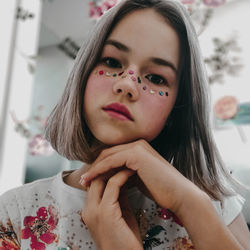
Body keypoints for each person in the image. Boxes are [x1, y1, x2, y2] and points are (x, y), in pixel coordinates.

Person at [0, 0, 249, 249]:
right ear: (84, 73)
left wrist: (189, 205)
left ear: (177, 107)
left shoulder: (214, 205)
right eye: (112, 62)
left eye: (155, 78)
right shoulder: (15, 212)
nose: (127, 85)